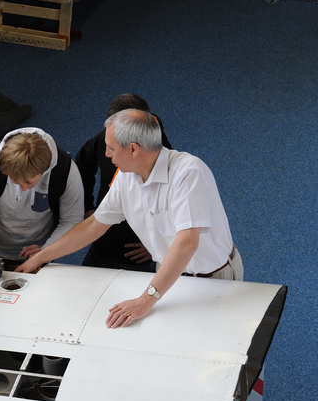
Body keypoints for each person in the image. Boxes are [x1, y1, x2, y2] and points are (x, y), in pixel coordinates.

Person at [16, 109, 242, 328]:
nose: (106, 154)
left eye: (111, 148)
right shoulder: (126, 177)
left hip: (213, 277)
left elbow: (187, 243)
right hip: (168, 275)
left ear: (134, 149)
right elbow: (95, 225)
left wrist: (146, 300)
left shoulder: (189, 172)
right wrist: (40, 258)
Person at [0, 128, 83, 278]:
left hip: (42, 249)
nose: (23, 189)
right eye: (15, 181)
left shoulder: (65, 170)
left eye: (29, 183)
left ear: (44, 170)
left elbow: (72, 220)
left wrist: (46, 251)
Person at [75, 94, 173, 272]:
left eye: (112, 146)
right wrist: (87, 207)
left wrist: (159, 245)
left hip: (141, 257)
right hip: (101, 244)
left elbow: (181, 218)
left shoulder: (169, 163)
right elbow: (83, 163)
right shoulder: (107, 138)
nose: (107, 152)